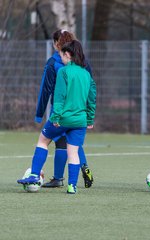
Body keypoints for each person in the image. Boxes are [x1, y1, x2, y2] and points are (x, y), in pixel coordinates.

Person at [18, 40, 97, 194]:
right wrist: (90, 119)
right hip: (80, 120)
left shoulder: (64, 72)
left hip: (63, 118)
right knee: (73, 152)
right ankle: (72, 186)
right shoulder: (86, 74)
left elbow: (59, 97)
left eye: (62, 56)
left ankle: (34, 175)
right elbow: (92, 98)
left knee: (42, 140)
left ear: (68, 54)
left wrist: (56, 117)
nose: (61, 59)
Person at [34, 29, 94, 188]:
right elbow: (91, 90)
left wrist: (40, 114)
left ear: (56, 44)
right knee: (74, 145)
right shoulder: (83, 63)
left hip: (60, 110)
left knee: (56, 142)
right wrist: (89, 115)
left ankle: (57, 178)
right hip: (80, 111)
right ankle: (83, 167)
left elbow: (45, 89)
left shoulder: (54, 63)